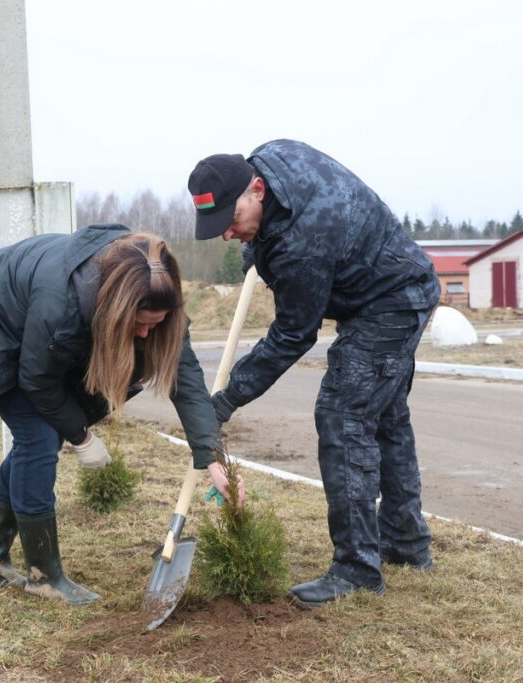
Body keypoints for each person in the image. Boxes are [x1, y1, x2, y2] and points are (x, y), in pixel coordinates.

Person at [0, 224, 241, 606]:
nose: (148, 336)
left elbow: (186, 379)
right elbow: (38, 381)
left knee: (40, 438)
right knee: (38, 437)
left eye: (157, 324)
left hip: (33, 325)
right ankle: (44, 576)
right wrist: (82, 437)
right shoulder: (62, 305)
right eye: (140, 324)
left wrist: (213, 458)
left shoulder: (155, 293)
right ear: (117, 309)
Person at [188, 140, 440, 608]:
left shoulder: (303, 242)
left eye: (231, 222)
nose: (226, 234)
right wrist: (254, 244)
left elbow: (292, 336)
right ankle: (405, 543)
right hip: (395, 281)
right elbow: (272, 229)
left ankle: (357, 568)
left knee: (343, 415)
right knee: (383, 418)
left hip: (389, 300)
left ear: (256, 190)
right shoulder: (270, 156)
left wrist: (227, 399)